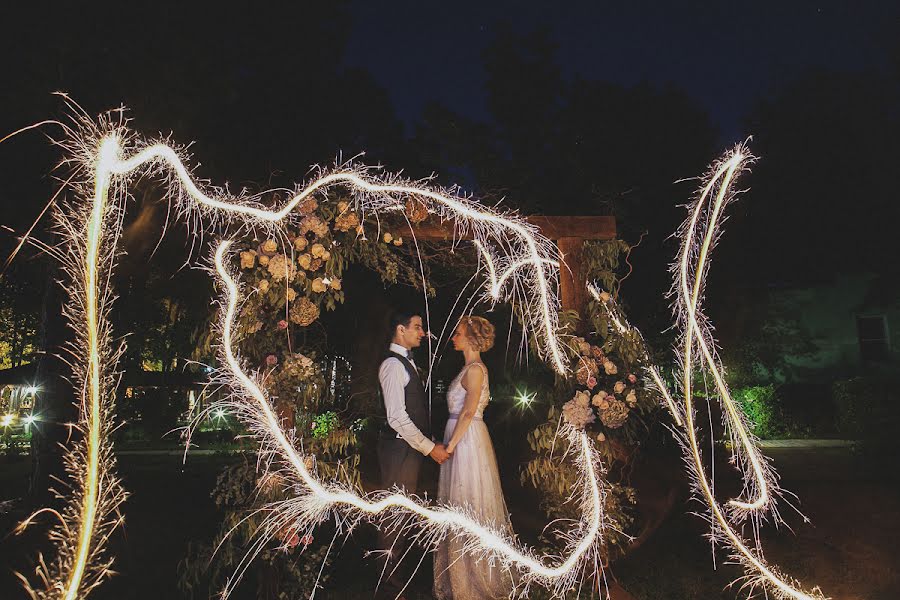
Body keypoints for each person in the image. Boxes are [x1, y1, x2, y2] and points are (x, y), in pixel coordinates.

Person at [434, 315, 513, 600]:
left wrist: (451, 447)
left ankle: (477, 581)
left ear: (470, 337)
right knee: (459, 502)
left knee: (469, 503)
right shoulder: (467, 367)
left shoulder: (476, 369)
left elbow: (468, 412)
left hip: (466, 442)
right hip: (460, 437)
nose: (453, 337)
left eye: (457, 333)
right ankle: (460, 577)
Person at [376, 309, 450, 600]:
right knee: (393, 519)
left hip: (408, 450)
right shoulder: (393, 366)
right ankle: (389, 590)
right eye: (417, 327)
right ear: (400, 330)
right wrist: (430, 448)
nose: (423, 333)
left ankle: (397, 583)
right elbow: (396, 417)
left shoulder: (407, 363)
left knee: (403, 516)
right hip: (398, 451)